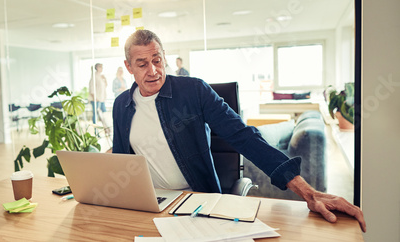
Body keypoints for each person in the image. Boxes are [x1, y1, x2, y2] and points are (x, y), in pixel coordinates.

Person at [112, 29, 366, 232]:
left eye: (157, 60)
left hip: (196, 202)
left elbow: (243, 136)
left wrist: (308, 191)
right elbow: (121, 161)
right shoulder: (121, 105)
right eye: (142, 64)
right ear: (129, 66)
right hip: (149, 204)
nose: (153, 70)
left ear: (164, 56)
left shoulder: (194, 91)